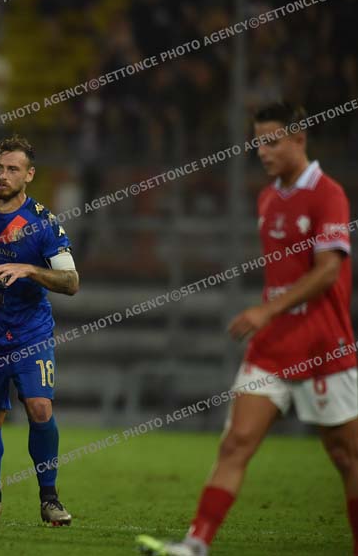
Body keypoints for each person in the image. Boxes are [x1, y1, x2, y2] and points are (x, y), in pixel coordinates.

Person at [137, 102, 358, 556]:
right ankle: (196, 543)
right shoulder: (268, 198)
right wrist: (269, 317)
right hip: (272, 348)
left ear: (299, 138)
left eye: (272, 141)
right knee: (236, 442)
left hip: (323, 346)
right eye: (258, 142)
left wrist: (265, 311)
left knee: (346, 458)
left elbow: (328, 272)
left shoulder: (328, 194)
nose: (262, 151)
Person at [0, 135, 78, 526]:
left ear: (29, 175)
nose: (3, 176)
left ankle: (49, 499)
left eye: (12, 169)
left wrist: (30, 270)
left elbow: (71, 281)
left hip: (30, 334)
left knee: (40, 408)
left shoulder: (43, 222)